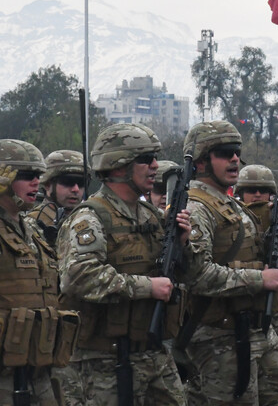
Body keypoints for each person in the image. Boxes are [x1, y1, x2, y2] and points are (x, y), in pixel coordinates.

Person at [57, 123, 192, 405]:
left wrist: (182, 245)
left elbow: (184, 276)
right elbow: (79, 277)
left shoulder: (152, 216)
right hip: (106, 360)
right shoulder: (90, 218)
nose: (155, 166)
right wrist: (147, 287)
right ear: (118, 166)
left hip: (154, 353)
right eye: (145, 159)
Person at [179, 120, 278, 405]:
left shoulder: (230, 205)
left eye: (236, 151)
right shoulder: (196, 207)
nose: (234, 158)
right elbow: (198, 274)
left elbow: (253, 255)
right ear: (201, 161)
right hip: (220, 335)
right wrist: (259, 279)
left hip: (254, 329)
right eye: (224, 152)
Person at [0, 139, 77, 405]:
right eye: (26, 176)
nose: (36, 182)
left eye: (38, 175)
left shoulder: (32, 231)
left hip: (39, 367)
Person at [27, 149, 88, 245]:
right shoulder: (30, 226)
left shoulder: (91, 221)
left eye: (81, 183)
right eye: (68, 182)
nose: (75, 189)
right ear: (47, 184)